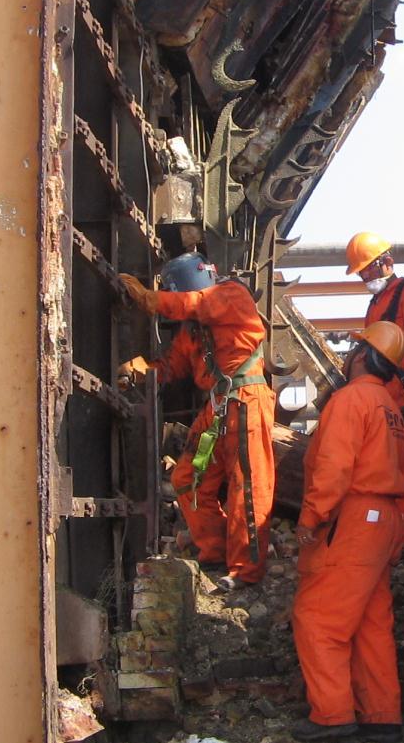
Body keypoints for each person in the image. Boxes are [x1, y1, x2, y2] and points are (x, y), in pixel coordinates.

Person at [118, 253, 276, 590]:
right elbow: (172, 365)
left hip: (246, 400)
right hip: (219, 408)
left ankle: (246, 571)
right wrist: (142, 371)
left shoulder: (231, 295)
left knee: (248, 486)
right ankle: (215, 550)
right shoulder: (192, 329)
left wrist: (150, 299)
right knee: (188, 477)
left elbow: (194, 303)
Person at [291, 321, 404, 742]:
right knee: (370, 623)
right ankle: (382, 718)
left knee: (317, 618)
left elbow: (334, 467)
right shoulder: (390, 409)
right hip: (385, 520)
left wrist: (311, 518)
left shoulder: (350, 400)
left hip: (355, 519)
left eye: (353, 350)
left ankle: (333, 716)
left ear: (362, 356)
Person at [346, 231, 404, 554]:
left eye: (367, 269)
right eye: (361, 272)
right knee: (388, 469)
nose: (364, 277)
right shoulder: (377, 303)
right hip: (384, 401)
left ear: (386, 262)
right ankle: (396, 533)